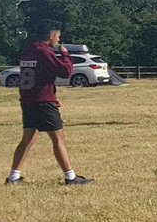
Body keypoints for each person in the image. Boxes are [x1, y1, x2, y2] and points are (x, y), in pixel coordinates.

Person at [6, 22, 94, 186]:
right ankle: (70, 177)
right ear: (51, 35)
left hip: (28, 100)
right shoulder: (44, 52)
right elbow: (66, 72)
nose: (59, 40)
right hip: (43, 100)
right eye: (58, 36)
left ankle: (13, 177)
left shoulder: (27, 50)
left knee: (28, 138)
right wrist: (65, 54)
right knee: (58, 138)